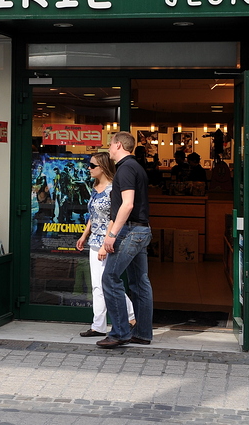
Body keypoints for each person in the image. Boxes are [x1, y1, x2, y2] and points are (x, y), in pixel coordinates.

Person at [96, 131, 154, 348]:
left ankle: (120, 332)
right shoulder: (136, 167)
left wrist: (111, 234)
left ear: (119, 145)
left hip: (130, 231)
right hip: (141, 229)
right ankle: (142, 333)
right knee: (140, 283)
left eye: (110, 144)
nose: (108, 148)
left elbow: (127, 203)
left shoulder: (126, 168)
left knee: (110, 277)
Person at [75, 152, 136, 338]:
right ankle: (98, 325)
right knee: (97, 285)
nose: (89, 169)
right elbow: (93, 216)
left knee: (109, 282)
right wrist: (84, 235)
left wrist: (104, 243)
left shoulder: (112, 189)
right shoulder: (95, 187)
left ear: (103, 167)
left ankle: (132, 315)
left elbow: (114, 217)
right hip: (94, 240)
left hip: (108, 241)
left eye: (93, 166)